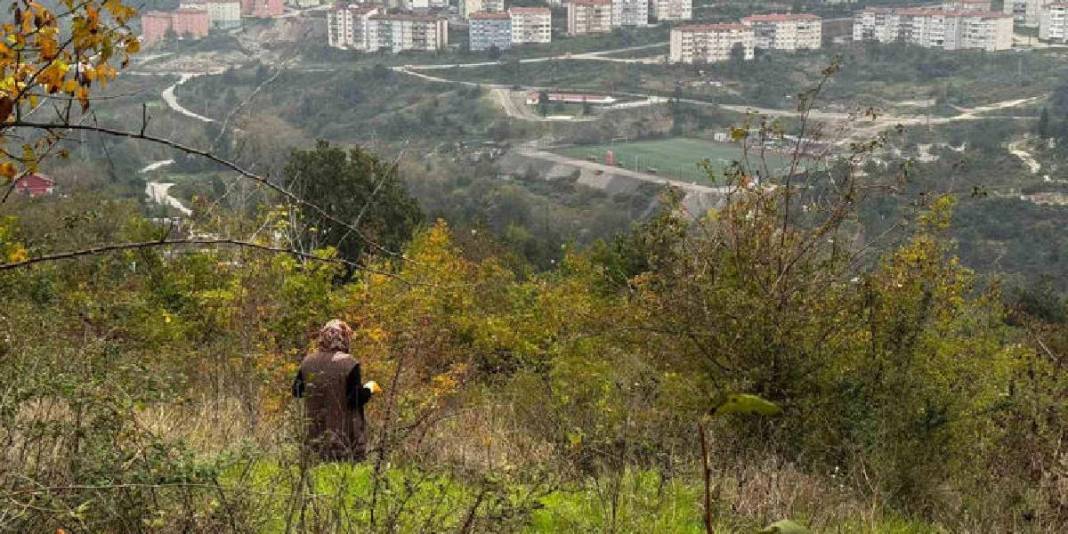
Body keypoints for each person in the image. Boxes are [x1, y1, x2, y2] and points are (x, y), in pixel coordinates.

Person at [292, 319, 381, 461]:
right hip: (343, 441)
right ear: (343, 338)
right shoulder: (349, 362)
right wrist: (369, 388)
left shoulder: (308, 362)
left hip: (314, 441)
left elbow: (297, 391)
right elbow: (355, 399)